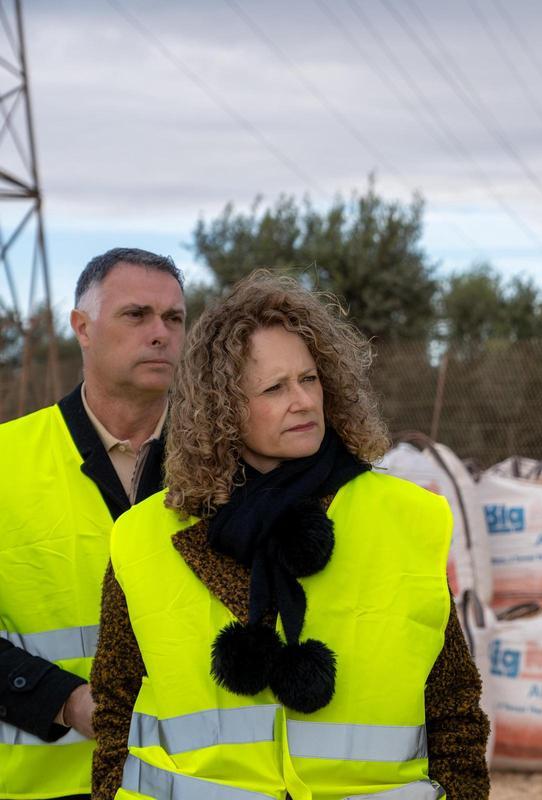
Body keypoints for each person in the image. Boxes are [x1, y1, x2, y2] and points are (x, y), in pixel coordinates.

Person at [89, 272, 489, 799]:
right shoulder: (143, 537)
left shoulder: (408, 517)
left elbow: (454, 711)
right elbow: (115, 713)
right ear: (222, 409)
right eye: (275, 388)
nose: (302, 401)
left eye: (309, 378)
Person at [0, 248, 185, 799]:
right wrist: (65, 700)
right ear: (82, 327)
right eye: (137, 314)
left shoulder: (225, 467)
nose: (160, 334)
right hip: (41, 788)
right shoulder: (7, 461)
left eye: (174, 318)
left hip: (188, 786)